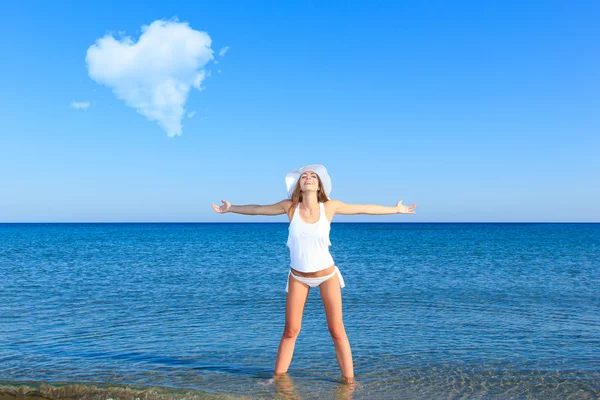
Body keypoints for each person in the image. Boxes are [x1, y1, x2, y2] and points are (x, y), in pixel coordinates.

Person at [211, 164, 417, 384]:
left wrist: (395, 210)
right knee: (291, 331)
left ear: (319, 185)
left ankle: (349, 383)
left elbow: (364, 208)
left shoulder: (329, 207)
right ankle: (277, 380)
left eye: (313, 176)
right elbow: (257, 209)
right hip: (298, 277)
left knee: (337, 330)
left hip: (327, 275)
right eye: (304, 176)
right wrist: (231, 208)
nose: (308, 177)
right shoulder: (289, 208)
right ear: (299, 184)